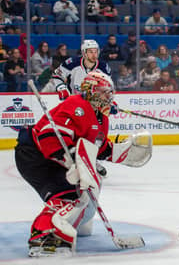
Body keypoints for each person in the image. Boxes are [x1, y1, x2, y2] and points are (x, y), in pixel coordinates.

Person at [14, 71, 152, 257]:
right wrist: (68, 161)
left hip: (52, 158)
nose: (109, 96)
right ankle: (43, 237)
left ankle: (72, 223)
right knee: (66, 195)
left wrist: (124, 152)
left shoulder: (101, 117)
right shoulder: (76, 105)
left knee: (83, 189)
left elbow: (98, 147)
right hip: (36, 156)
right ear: (92, 91)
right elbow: (48, 136)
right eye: (104, 92)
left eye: (110, 92)